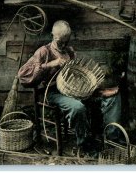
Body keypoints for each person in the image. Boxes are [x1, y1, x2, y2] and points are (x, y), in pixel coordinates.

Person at [18, 20, 90, 155]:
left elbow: (76, 72)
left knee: (92, 99)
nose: (63, 45)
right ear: (53, 36)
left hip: (70, 89)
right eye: (60, 42)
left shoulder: (69, 51)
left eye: (66, 41)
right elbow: (23, 75)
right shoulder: (43, 52)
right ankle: (83, 145)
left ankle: (87, 136)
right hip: (51, 92)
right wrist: (50, 64)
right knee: (78, 107)